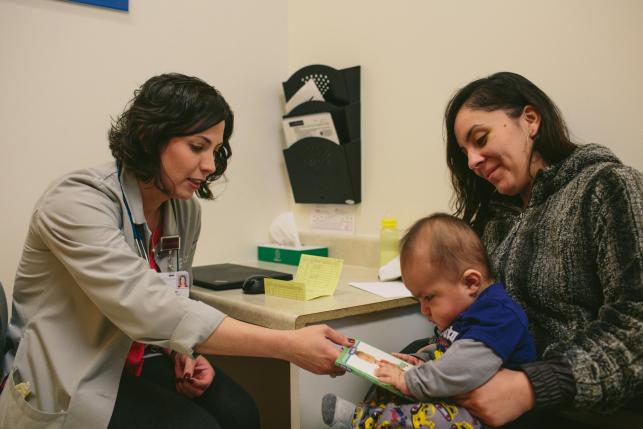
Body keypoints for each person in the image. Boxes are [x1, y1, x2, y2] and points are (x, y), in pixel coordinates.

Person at [0, 73, 351, 429]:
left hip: (134, 356)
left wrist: (181, 351)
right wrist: (288, 345)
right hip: (69, 373)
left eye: (216, 150)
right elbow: (148, 307)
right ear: (148, 137)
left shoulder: (183, 211)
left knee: (241, 413)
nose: (211, 165)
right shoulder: (75, 202)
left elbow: (172, 293)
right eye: (198, 147)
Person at [443, 71, 642, 428]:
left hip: (579, 409)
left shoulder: (607, 187)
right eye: (465, 152)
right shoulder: (494, 219)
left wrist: (531, 386)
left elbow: (636, 325)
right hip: (498, 389)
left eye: (480, 138)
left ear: (530, 120)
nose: (472, 161)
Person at [322, 213, 536, 429]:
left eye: (429, 298)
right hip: (462, 399)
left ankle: (363, 420)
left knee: (434, 417)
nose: (424, 310)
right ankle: (367, 414)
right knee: (388, 380)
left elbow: (462, 367)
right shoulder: (467, 310)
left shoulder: (498, 316)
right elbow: (449, 348)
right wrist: (422, 359)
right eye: (419, 299)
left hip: (490, 417)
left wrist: (408, 379)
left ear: (471, 282)